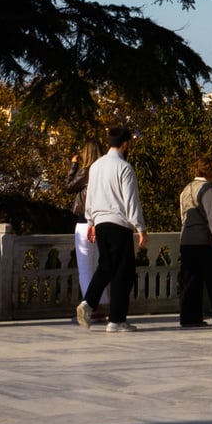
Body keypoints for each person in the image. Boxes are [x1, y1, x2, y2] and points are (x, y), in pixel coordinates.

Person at [74, 123, 145, 333]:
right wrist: (140, 227)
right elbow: (131, 200)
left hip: (100, 224)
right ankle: (117, 320)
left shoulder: (95, 166)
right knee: (124, 273)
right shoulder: (124, 167)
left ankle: (88, 302)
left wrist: (91, 221)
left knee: (106, 267)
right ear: (125, 144)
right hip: (119, 224)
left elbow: (91, 196)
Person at [175, 155, 212, 327]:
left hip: (187, 241)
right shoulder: (208, 191)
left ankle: (189, 317)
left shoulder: (186, 190)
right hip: (203, 242)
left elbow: (183, 217)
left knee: (190, 281)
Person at [63, 139, 106, 323]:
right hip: (101, 222)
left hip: (84, 223)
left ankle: (90, 307)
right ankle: (102, 305)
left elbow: (69, 187)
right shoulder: (104, 171)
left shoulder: (86, 171)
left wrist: (73, 164)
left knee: (85, 269)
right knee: (99, 267)